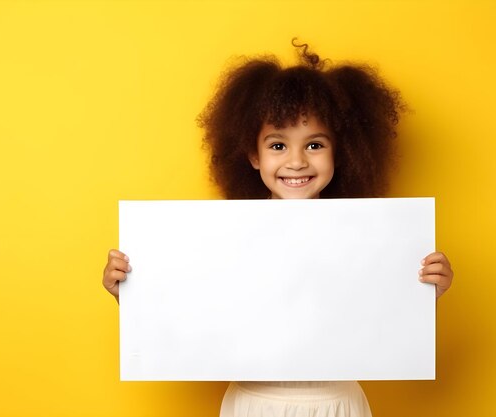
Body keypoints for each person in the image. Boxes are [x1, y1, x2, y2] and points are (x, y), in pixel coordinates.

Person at [102, 39, 454, 417]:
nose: (297, 161)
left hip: (339, 404)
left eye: (315, 145)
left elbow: (383, 320)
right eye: (278, 146)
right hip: (252, 403)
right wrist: (130, 293)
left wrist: (426, 293)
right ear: (253, 155)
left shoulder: (369, 240)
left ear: (342, 152)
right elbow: (192, 313)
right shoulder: (219, 238)